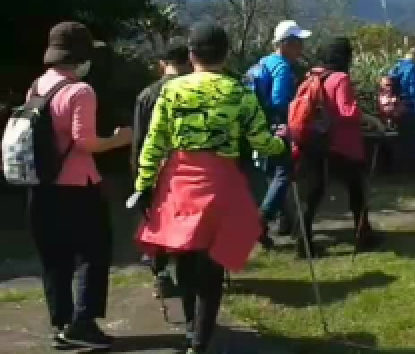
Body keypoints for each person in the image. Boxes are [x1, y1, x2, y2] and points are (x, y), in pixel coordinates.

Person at [134, 22, 287, 354]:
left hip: (179, 182)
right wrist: (282, 144)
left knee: (185, 258)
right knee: (213, 265)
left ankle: (192, 330)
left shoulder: (171, 91)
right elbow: (261, 141)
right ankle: (201, 341)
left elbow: (154, 143)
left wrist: (143, 185)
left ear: (191, 55)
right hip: (221, 183)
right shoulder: (239, 92)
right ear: (226, 54)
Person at [29, 22, 133, 350]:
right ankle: (84, 323)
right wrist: (119, 139)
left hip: (41, 184)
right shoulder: (80, 91)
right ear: (81, 56)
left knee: (55, 257)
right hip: (78, 186)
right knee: (94, 252)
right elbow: (85, 142)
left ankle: (61, 324)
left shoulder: (38, 86)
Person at [298, 36, 385, 258]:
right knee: (357, 190)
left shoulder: (314, 75)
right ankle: (363, 235)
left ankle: (303, 241)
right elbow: (347, 111)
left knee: (313, 194)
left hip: (316, 143)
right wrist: (370, 119)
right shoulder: (340, 78)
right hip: (342, 146)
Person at [131, 37, 191, 299]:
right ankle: (189, 274)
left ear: (162, 63)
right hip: (187, 169)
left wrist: (139, 179)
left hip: (155, 167)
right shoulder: (194, 90)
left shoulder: (147, 95)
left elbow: (139, 141)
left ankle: (161, 274)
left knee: (156, 222)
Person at [254, 20, 311, 244]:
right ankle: (261, 220)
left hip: (259, 127)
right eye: (298, 42)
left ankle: (282, 222)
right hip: (277, 127)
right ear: (285, 43)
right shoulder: (282, 67)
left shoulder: (263, 62)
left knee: (273, 174)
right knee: (284, 172)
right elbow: (280, 101)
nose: (301, 48)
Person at [389, 48, 415, 174]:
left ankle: (398, 168)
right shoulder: (412, 68)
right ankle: (409, 170)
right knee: (410, 140)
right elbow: (414, 90)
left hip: (396, 107)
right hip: (408, 106)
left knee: (401, 138)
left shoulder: (397, 66)